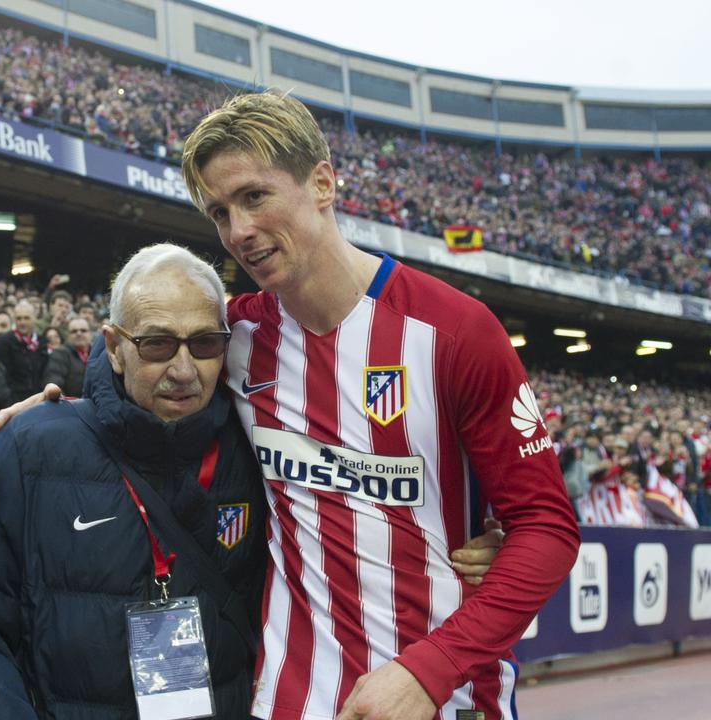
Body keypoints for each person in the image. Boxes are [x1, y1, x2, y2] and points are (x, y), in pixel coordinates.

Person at [180, 91, 578, 719]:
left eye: (254, 197)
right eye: (220, 213)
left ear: (323, 182)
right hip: (290, 699)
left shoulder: (455, 332)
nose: (239, 232)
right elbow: (131, 360)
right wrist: (47, 412)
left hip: (444, 697)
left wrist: (432, 670)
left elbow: (547, 528)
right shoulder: (233, 338)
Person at [0, 245, 269, 716]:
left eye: (204, 344)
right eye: (157, 344)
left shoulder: (260, 456)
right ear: (115, 347)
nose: (183, 370)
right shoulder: (29, 449)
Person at [0, 300, 46, 399]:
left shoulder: (42, 342)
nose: (22, 322)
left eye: (26, 318)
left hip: (38, 400)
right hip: (14, 402)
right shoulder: (2, 343)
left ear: (34, 318)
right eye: (19, 318)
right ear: (14, 320)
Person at [42, 316, 91, 397]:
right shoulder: (59, 354)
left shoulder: (97, 354)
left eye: (83, 330)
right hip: (71, 405)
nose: (79, 333)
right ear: (68, 335)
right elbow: (54, 381)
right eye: (74, 331)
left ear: (90, 334)